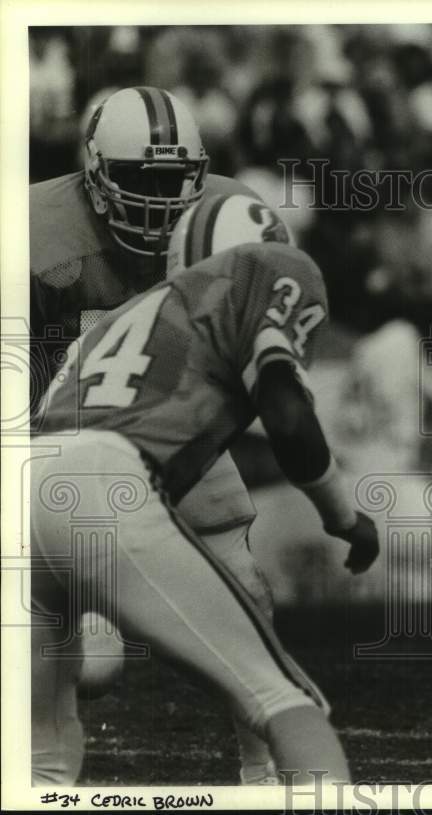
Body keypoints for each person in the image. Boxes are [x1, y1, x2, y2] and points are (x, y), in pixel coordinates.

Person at [31, 193, 379, 785]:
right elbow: (289, 418)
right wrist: (343, 515)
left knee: (42, 759)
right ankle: (269, 781)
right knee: (288, 703)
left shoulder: (122, 320)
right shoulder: (270, 270)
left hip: (25, 484)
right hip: (106, 480)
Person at [29, 85, 281, 783]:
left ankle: (263, 774)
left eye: (175, 179)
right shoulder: (32, 235)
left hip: (176, 425)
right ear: (95, 174)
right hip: (58, 434)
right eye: (141, 178)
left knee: (246, 590)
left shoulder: (233, 223)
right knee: (84, 661)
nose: (160, 199)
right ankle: (44, 782)